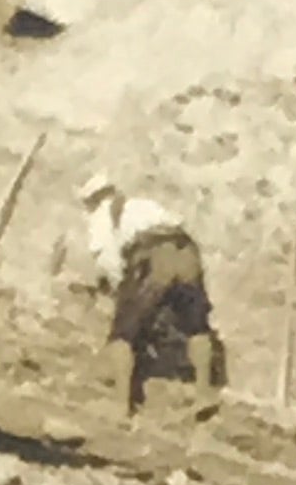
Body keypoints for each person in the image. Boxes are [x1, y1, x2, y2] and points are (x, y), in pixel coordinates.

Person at [84, 176, 223, 414]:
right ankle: (203, 393)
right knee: (196, 327)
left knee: (122, 334)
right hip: (187, 251)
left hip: (153, 254)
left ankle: (119, 405)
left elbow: (107, 259)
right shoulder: (143, 205)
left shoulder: (103, 215)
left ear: (91, 200)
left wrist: (122, 295)